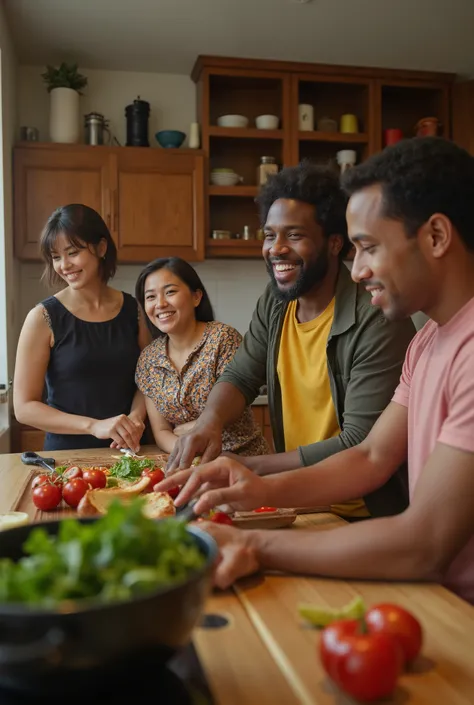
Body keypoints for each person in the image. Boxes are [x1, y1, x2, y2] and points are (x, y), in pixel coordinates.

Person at [156, 137, 474, 605]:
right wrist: (256, 485)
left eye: (368, 248)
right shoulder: (428, 342)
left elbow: (424, 543)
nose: (359, 270)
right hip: (430, 599)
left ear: (436, 236)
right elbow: (370, 458)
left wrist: (254, 542)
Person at [168, 162, 415, 519]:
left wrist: (252, 466)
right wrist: (209, 422)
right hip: (295, 500)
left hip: (360, 512)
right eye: (269, 235)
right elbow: (241, 376)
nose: (276, 249)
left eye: (294, 235)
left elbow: (359, 442)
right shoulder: (276, 301)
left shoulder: (377, 318)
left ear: (333, 243)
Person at [13, 204, 150, 452]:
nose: (64, 265)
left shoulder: (135, 311)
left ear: (101, 248)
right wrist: (93, 426)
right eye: (56, 257)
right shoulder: (42, 318)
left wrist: (136, 418)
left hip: (131, 451)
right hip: (68, 456)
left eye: (73, 252)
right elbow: (24, 407)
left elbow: (150, 379)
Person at [134, 257, 268, 457]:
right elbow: (162, 432)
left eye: (170, 292)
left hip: (243, 460)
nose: (160, 304)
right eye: (150, 297)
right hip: (190, 463)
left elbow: (233, 403)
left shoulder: (222, 338)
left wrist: (192, 428)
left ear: (196, 297)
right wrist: (190, 452)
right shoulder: (149, 359)